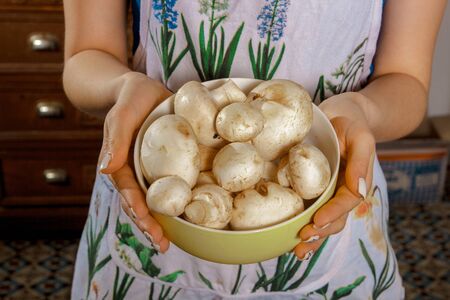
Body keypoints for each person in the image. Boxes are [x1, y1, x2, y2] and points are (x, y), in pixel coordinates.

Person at [63, 0, 446, 299]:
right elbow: (86, 56)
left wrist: (363, 110)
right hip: (151, 202)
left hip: (330, 217)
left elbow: (407, 80)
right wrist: (123, 87)